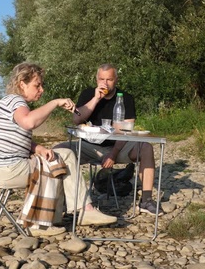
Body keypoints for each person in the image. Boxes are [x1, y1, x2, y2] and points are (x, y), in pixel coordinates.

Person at [0, 62, 117, 237]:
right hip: (6, 170)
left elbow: (14, 138)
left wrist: (37, 148)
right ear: (22, 83)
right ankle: (39, 224)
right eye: (37, 85)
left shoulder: (11, 102)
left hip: (3, 168)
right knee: (53, 165)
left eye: (41, 85)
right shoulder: (15, 101)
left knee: (65, 154)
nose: (41, 89)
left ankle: (84, 208)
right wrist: (55, 103)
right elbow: (29, 122)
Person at [55, 63, 163, 216]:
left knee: (146, 148)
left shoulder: (125, 98)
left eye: (109, 79)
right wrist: (95, 99)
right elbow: (76, 120)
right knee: (58, 151)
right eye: (101, 79)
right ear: (96, 79)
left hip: (118, 146)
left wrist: (113, 153)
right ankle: (61, 201)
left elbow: (127, 129)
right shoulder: (87, 94)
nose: (105, 83)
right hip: (89, 146)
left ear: (116, 80)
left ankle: (146, 200)